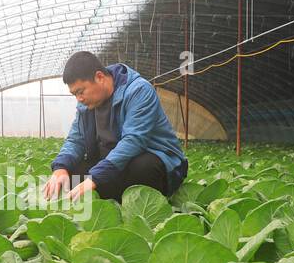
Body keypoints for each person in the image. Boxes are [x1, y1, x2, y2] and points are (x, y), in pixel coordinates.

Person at [42, 51, 188, 203]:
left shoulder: (138, 90)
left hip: (150, 162)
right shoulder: (85, 105)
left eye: (81, 91)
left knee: (143, 166)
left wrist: (95, 178)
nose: (79, 99)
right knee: (71, 173)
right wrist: (60, 168)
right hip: (112, 166)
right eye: (75, 94)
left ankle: (131, 202)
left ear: (99, 77)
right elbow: (75, 139)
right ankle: (115, 199)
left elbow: (134, 140)